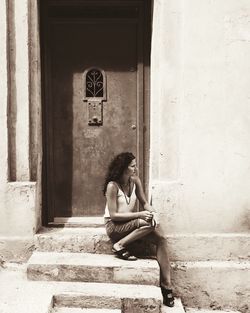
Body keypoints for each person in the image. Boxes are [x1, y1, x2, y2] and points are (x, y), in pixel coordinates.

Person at [103, 152, 175, 307]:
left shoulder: (135, 181)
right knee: (144, 222)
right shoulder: (112, 186)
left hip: (131, 224)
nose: (135, 169)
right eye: (132, 166)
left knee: (161, 239)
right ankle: (120, 245)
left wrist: (153, 212)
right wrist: (140, 215)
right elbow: (114, 215)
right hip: (114, 226)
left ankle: (166, 285)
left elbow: (144, 202)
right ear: (123, 168)